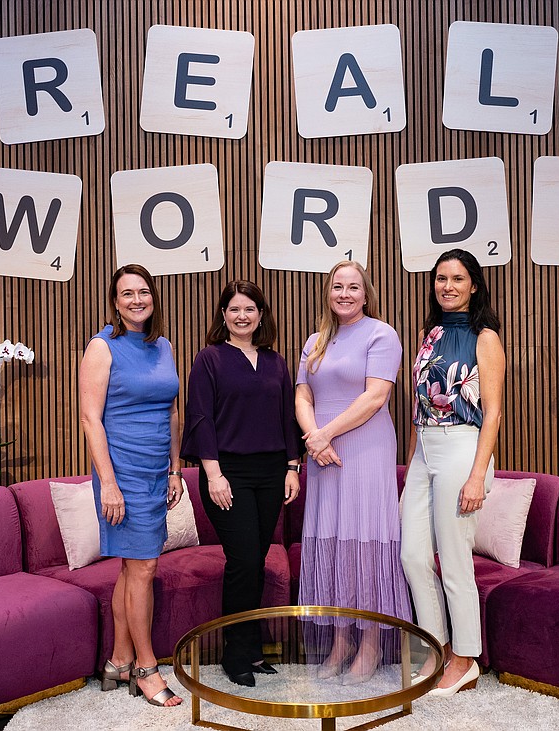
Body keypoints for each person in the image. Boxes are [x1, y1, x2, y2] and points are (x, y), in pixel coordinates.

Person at [295, 260, 412, 684]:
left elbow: (375, 398)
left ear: (366, 293)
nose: (344, 294)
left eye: (353, 287)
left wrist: (323, 434)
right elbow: (302, 394)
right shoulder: (315, 340)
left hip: (363, 448)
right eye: (337, 286)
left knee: (363, 543)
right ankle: (340, 643)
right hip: (322, 452)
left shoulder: (382, 334)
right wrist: (314, 438)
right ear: (328, 293)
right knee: (334, 541)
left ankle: (369, 647)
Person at [181, 281, 302, 687]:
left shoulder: (275, 362)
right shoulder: (209, 359)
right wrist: (213, 475)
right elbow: (200, 419)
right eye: (234, 309)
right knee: (243, 562)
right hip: (226, 474)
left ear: (261, 315)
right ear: (223, 316)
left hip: (271, 474)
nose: (242, 316)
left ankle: (252, 650)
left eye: (250, 309)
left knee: (256, 561)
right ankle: (235, 655)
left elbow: (288, 417)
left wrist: (292, 467)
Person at [400, 249, 505, 697]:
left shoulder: (486, 338)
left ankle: (465, 660)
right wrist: (409, 466)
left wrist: (478, 475)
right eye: (441, 278)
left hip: (464, 448)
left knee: (455, 561)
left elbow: (494, 411)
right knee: (412, 556)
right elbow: (418, 406)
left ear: (474, 285)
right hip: (424, 450)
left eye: (457, 278)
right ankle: (436, 649)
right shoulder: (429, 332)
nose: (448, 286)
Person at [78, 264, 183, 708]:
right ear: (114, 302)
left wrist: (176, 469)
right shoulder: (102, 348)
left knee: (133, 568)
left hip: (158, 472)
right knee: (143, 569)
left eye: (144, 292)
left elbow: (173, 412)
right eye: (127, 294)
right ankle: (145, 667)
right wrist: (108, 484)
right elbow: (90, 419)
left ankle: (118, 660)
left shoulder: (164, 346)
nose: (137, 300)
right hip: (122, 474)